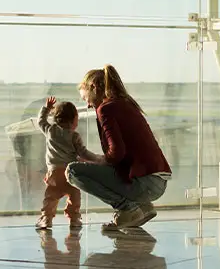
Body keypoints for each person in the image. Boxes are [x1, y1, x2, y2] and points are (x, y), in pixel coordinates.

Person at [66, 64, 172, 230]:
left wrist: (96, 161)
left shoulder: (106, 109)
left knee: (72, 171)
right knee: (94, 169)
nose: (86, 105)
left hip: (144, 184)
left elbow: (117, 154)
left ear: (93, 87)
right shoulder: (124, 104)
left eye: (85, 98)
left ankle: (128, 209)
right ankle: (142, 206)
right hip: (157, 182)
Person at [36, 97, 103, 229]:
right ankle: (74, 219)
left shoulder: (50, 131)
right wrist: (98, 158)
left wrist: (47, 108)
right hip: (69, 173)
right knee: (74, 196)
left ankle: (46, 218)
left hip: (54, 174)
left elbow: (40, 121)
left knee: (50, 197)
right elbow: (84, 153)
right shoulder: (74, 136)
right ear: (73, 120)